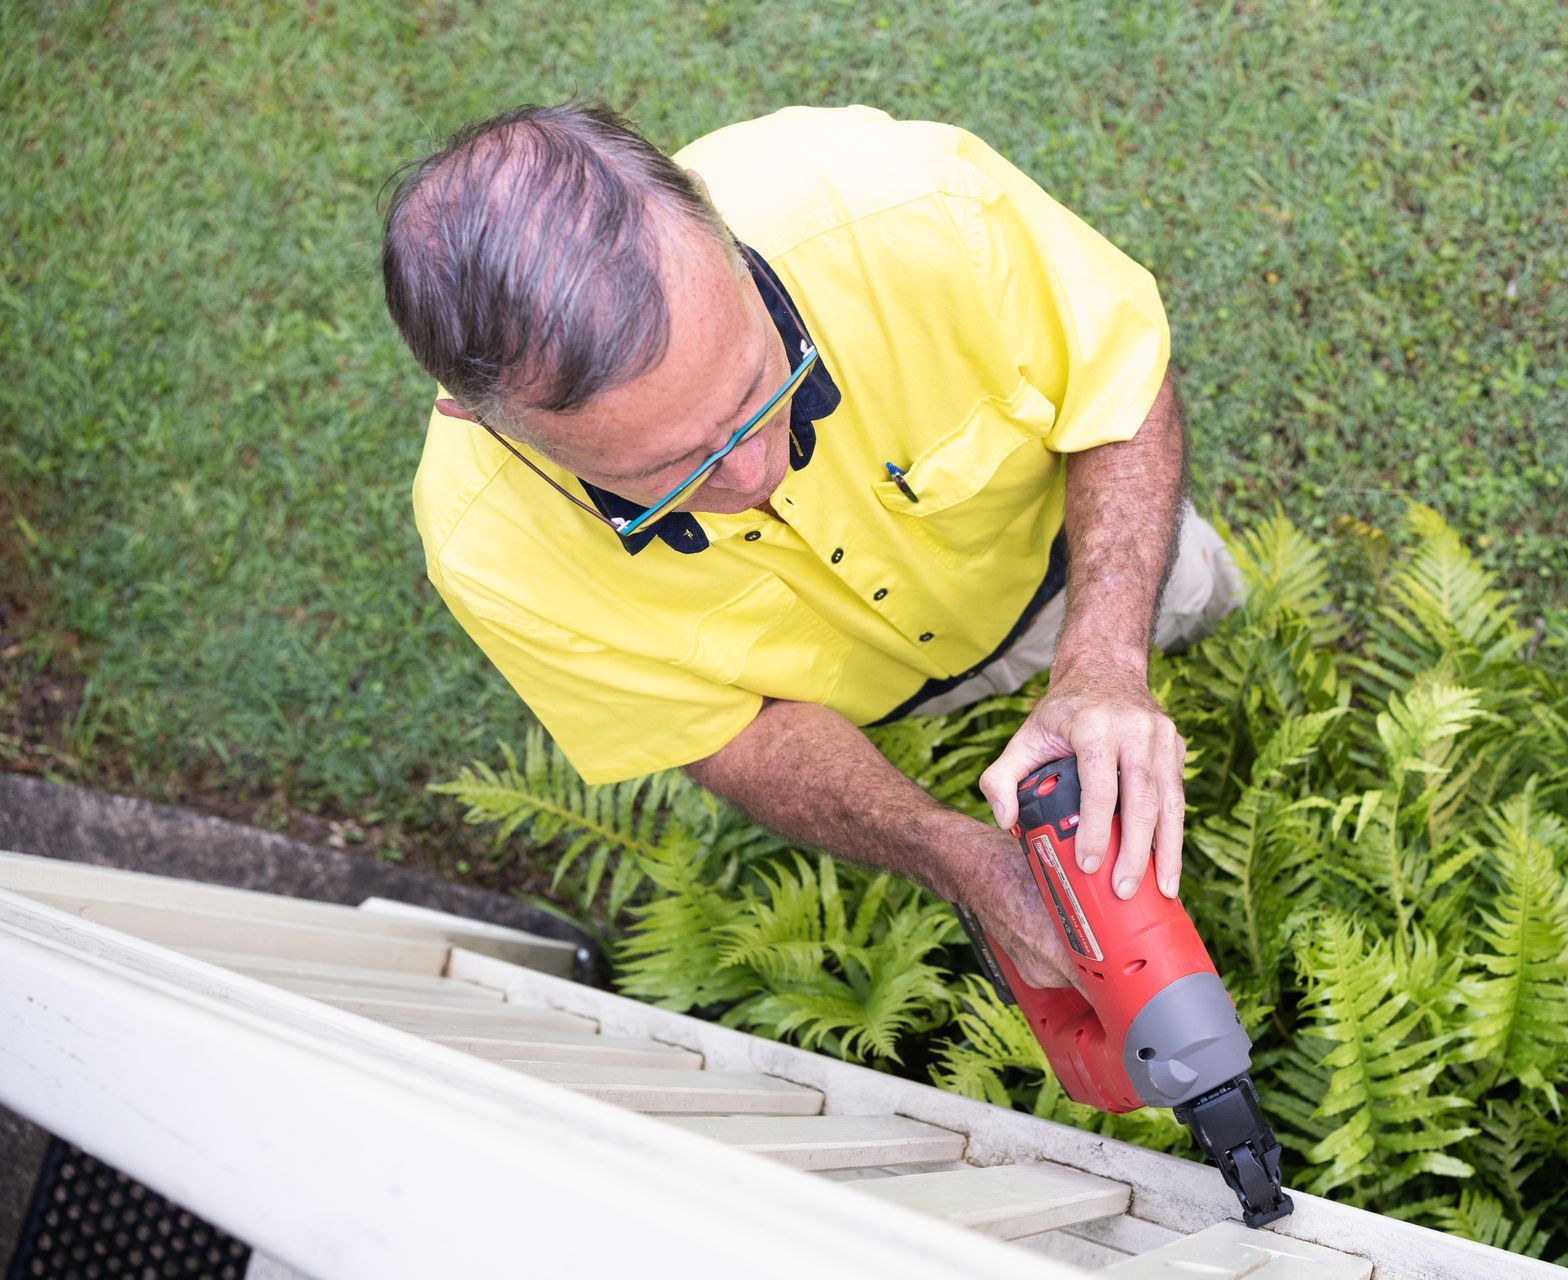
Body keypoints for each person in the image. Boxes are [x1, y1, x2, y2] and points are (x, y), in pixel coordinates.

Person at [382, 102, 1241, 991]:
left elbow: (1117, 391)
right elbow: (728, 732)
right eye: (671, 473)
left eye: (765, 382)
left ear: (715, 218)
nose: (754, 472)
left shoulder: (919, 209)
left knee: (1200, 604)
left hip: (1076, 561)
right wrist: (960, 860)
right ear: (478, 419)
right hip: (883, 706)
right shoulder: (486, 553)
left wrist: (1104, 662)